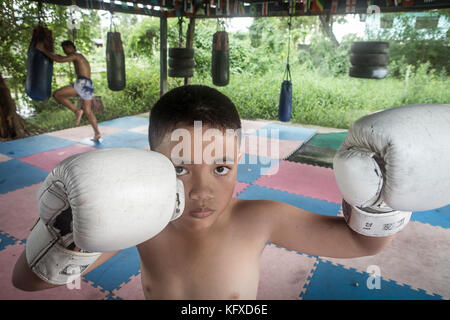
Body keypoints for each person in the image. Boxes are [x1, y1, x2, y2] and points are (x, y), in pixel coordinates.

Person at [11, 85, 450, 299]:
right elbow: (28, 281)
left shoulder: (257, 219)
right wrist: (66, 229)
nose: (203, 189)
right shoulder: (137, 222)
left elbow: (360, 242)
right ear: (147, 162)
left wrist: (378, 201)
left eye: (221, 168)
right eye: (180, 168)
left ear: (239, 161)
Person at [36, 40, 101, 141]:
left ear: (70, 47)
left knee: (57, 95)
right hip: (86, 84)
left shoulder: (76, 55)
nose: (65, 51)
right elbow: (60, 57)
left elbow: (60, 60)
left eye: (65, 49)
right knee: (88, 112)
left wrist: (43, 50)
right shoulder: (78, 55)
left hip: (83, 84)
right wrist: (51, 53)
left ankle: (77, 111)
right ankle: (97, 133)